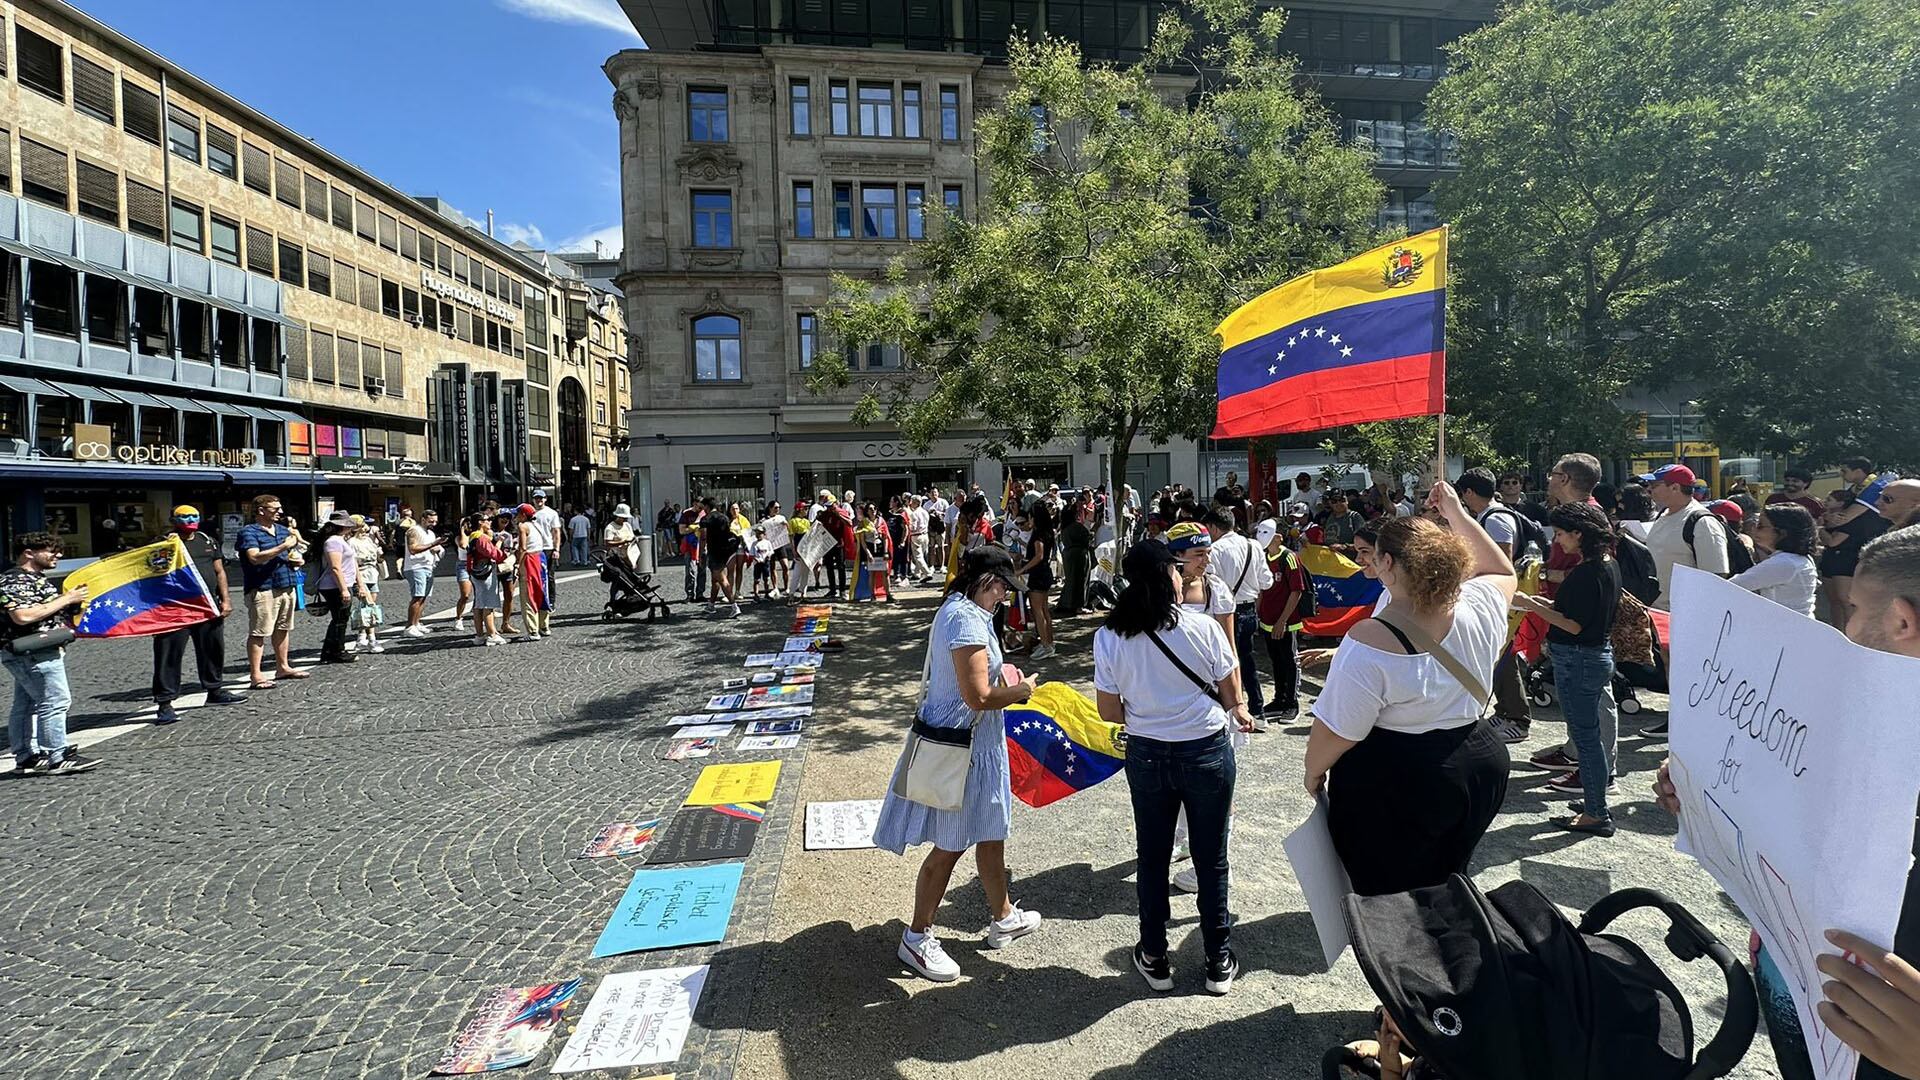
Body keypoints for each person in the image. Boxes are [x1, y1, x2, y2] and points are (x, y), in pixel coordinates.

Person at [1656, 525, 1920, 1080]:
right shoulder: (1858, 713)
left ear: (1901, 620)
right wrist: (1704, 795)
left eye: (1852, 608)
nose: (1844, 628)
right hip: (1801, 987)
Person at [1306, 483, 1516, 896]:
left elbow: (1339, 730)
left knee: (1392, 901)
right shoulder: (1478, 601)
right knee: (1448, 881)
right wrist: (1456, 513)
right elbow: (1500, 570)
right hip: (1479, 758)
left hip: (1402, 775)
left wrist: (1313, 774)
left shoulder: (1369, 638)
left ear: (1387, 562)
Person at [873, 546, 1042, 982]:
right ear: (986, 582)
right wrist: (1023, 691)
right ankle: (917, 936)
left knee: (990, 830)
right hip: (962, 749)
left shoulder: (961, 609)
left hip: (974, 746)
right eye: (1003, 586)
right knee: (951, 843)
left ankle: (1003, 916)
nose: (1006, 595)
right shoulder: (966, 618)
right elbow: (978, 696)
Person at [1096, 540, 1257, 995]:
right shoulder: (1202, 627)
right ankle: (1217, 959)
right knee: (1212, 858)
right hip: (1205, 750)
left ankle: (1155, 956)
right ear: (1166, 575)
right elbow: (1231, 691)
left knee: (1153, 857)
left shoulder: (1109, 635)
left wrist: (1152, 709)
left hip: (1147, 752)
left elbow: (1109, 710)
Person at [1512, 503, 1620, 837]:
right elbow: (1569, 609)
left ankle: (1596, 813)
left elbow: (1572, 624)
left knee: (1586, 740)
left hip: (1580, 658)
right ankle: (1593, 801)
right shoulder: (1604, 565)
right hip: (1590, 655)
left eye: (1560, 534)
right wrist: (1535, 602)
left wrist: (1530, 605)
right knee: (1589, 738)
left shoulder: (1589, 572)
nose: (1556, 541)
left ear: (1579, 534)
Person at [2, 532, 97, 775]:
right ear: (29, 553)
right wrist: (66, 599)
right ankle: (57, 755)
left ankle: (27, 756)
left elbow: (48, 610)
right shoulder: (14, 580)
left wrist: (72, 604)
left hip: (38, 648)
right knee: (55, 701)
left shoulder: (36, 578)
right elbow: (23, 616)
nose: (58, 555)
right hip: (32, 650)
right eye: (51, 550)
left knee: (27, 705)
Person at [1455, 468, 1537, 743]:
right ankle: (1505, 711)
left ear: (1468, 492)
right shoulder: (1488, 516)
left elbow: (1501, 563)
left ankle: (1517, 718)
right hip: (1495, 598)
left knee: (1503, 657)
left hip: (1501, 599)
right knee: (1499, 656)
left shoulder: (1496, 519)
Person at [151, 505, 242, 724]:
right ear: (173, 519)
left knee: (212, 649)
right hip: (174, 609)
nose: (189, 520)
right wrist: (167, 546)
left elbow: (219, 571)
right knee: (168, 655)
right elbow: (153, 572)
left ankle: (214, 690)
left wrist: (226, 600)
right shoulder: (163, 542)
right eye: (184, 516)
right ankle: (165, 703)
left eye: (193, 516)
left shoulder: (207, 540)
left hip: (207, 606)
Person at [1203, 508, 1273, 723]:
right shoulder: (1254, 546)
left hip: (1224, 612)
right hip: (1249, 609)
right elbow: (1267, 582)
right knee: (1247, 659)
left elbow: (1210, 583)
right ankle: (1257, 708)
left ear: (1214, 527)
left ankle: (1231, 708)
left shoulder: (1214, 550)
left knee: (1224, 661)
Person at [236, 494, 307, 690]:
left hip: (286, 584)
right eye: (275, 509)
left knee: (283, 628)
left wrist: (296, 560)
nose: (280, 512)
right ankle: (256, 675)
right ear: (261, 511)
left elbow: (290, 554)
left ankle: (283, 667)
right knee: (259, 631)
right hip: (263, 587)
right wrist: (284, 546)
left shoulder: (283, 530)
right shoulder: (249, 532)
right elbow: (255, 557)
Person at [1640, 463, 1731, 610]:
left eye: (1655, 485)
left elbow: (1716, 577)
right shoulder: (1662, 515)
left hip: (1683, 616)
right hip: (1657, 612)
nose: (1649, 489)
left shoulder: (1703, 523)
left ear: (1675, 487)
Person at [1257, 522, 1311, 723]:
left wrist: (1282, 621)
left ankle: (1292, 702)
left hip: (1287, 622)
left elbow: (1296, 591)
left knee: (1290, 661)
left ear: (1278, 537)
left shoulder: (1289, 558)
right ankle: (1279, 699)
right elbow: (1261, 590)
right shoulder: (1262, 558)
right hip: (1267, 621)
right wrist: (1258, 614)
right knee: (1276, 661)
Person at [1819, 487, 1892, 629]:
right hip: (1830, 560)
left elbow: (1833, 541)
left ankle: (1851, 634)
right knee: (1834, 601)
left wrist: (1820, 529)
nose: (1825, 502)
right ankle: (1837, 630)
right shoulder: (1831, 517)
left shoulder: (1852, 520)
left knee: (1845, 600)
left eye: (1829, 500)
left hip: (1846, 561)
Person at [1732, 504, 1820, 617]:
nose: (1754, 528)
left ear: (1783, 533)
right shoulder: (1798, 559)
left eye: (1760, 526)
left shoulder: (1784, 563)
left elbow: (1734, 585)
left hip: (1785, 627)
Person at [314, 512, 369, 665]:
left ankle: (330, 651)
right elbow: (335, 567)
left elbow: (352, 564)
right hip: (334, 586)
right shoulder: (333, 542)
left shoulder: (340, 540)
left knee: (340, 619)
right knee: (339, 620)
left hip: (341, 584)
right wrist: (343, 589)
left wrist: (359, 584)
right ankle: (336, 651)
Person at [465, 514, 509, 647]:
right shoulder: (481, 538)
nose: (490, 522)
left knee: (478, 604)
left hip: (476, 571)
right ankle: (492, 634)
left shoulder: (473, 536)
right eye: (487, 520)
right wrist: (500, 543)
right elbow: (495, 554)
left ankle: (479, 635)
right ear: (480, 522)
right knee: (488, 604)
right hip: (485, 572)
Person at [345, 515, 387, 655]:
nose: (365, 529)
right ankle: (372, 640)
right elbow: (352, 563)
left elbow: (378, 557)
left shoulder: (369, 541)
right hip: (360, 577)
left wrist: (380, 554)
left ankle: (361, 636)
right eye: (362, 526)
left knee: (368, 607)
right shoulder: (351, 542)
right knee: (369, 608)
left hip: (372, 575)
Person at [401, 509, 444, 638]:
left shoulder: (430, 532)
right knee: (418, 596)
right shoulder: (414, 530)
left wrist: (438, 548)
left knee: (424, 596)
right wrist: (432, 545)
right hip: (416, 567)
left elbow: (434, 548)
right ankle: (409, 626)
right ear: (423, 519)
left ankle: (417, 623)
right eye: (431, 521)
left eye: (436, 521)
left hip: (428, 566)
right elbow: (413, 549)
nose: (434, 524)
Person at [516, 504, 553, 639]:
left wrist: (517, 565)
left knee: (528, 594)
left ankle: (532, 630)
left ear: (523, 515)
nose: (516, 517)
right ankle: (544, 626)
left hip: (530, 560)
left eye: (518, 514)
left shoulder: (522, 526)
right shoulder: (536, 525)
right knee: (542, 592)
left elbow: (523, 548)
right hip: (540, 558)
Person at [701, 498, 742, 616]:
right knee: (715, 580)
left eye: (703, 507)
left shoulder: (708, 518)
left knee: (722, 579)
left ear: (707, 507)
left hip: (715, 552)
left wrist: (701, 554)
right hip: (725, 552)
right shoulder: (724, 517)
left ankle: (734, 607)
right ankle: (711, 605)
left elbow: (702, 533)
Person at [1058, 497, 1094, 617]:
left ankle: (1067, 603)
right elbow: (1087, 538)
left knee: (1070, 580)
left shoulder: (1064, 527)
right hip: (1079, 555)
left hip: (1068, 554)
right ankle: (1079, 606)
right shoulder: (1076, 527)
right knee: (1081, 580)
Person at [530, 489, 563, 608]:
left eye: (541, 498)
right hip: (534, 548)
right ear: (533, 499)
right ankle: (537, 600)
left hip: (548, 547)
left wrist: (556, 549)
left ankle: (551, 601)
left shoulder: (551, 513)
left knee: (549, 576)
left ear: (545, 499)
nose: (539, 500)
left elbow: (556, 532)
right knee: (535, 576)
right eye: (536, 498)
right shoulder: (530, 512)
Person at [761, 502, 792, 596]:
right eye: (775, 507)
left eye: (779, 507)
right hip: (770, 545)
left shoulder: (781, 517)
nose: (778, 509)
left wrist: (786, 524)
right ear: (770, 508)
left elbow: (789, 528)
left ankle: (787, 587)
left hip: (780, 544)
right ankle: (775, 587)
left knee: (785, 566)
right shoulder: (764, 520)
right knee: (772, 567)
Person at [450, 514, 474, 635]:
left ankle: (480, 616)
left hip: (476, 565)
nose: (467, 526)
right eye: (464, 524)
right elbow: (464, 545)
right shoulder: (459, 537)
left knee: (480, 594)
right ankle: (458, 618)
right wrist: (462, 531)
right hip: (463, 565)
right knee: (465, 595)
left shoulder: (477, 535)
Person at [677, 501, 705, 601]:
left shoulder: (704, 514)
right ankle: (689, 594)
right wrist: (693, 528)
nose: (700, 509)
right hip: (690, 546)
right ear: (694, 504)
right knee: (690, 570)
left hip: (702, 545)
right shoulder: (686, 514)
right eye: (699, 507)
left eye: (702, 507)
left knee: (702, 570)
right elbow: (681, 530)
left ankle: (700, 594)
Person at [603, 503, 641, 570]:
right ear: (618, 517)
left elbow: (632, 536)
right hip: (617, 553)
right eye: (623, 518)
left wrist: (635, 538)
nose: (625, 520)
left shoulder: (627, 525)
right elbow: (608, 543)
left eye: (626, 518)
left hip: (630, 551)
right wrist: (622, 542)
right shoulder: (610, 528)